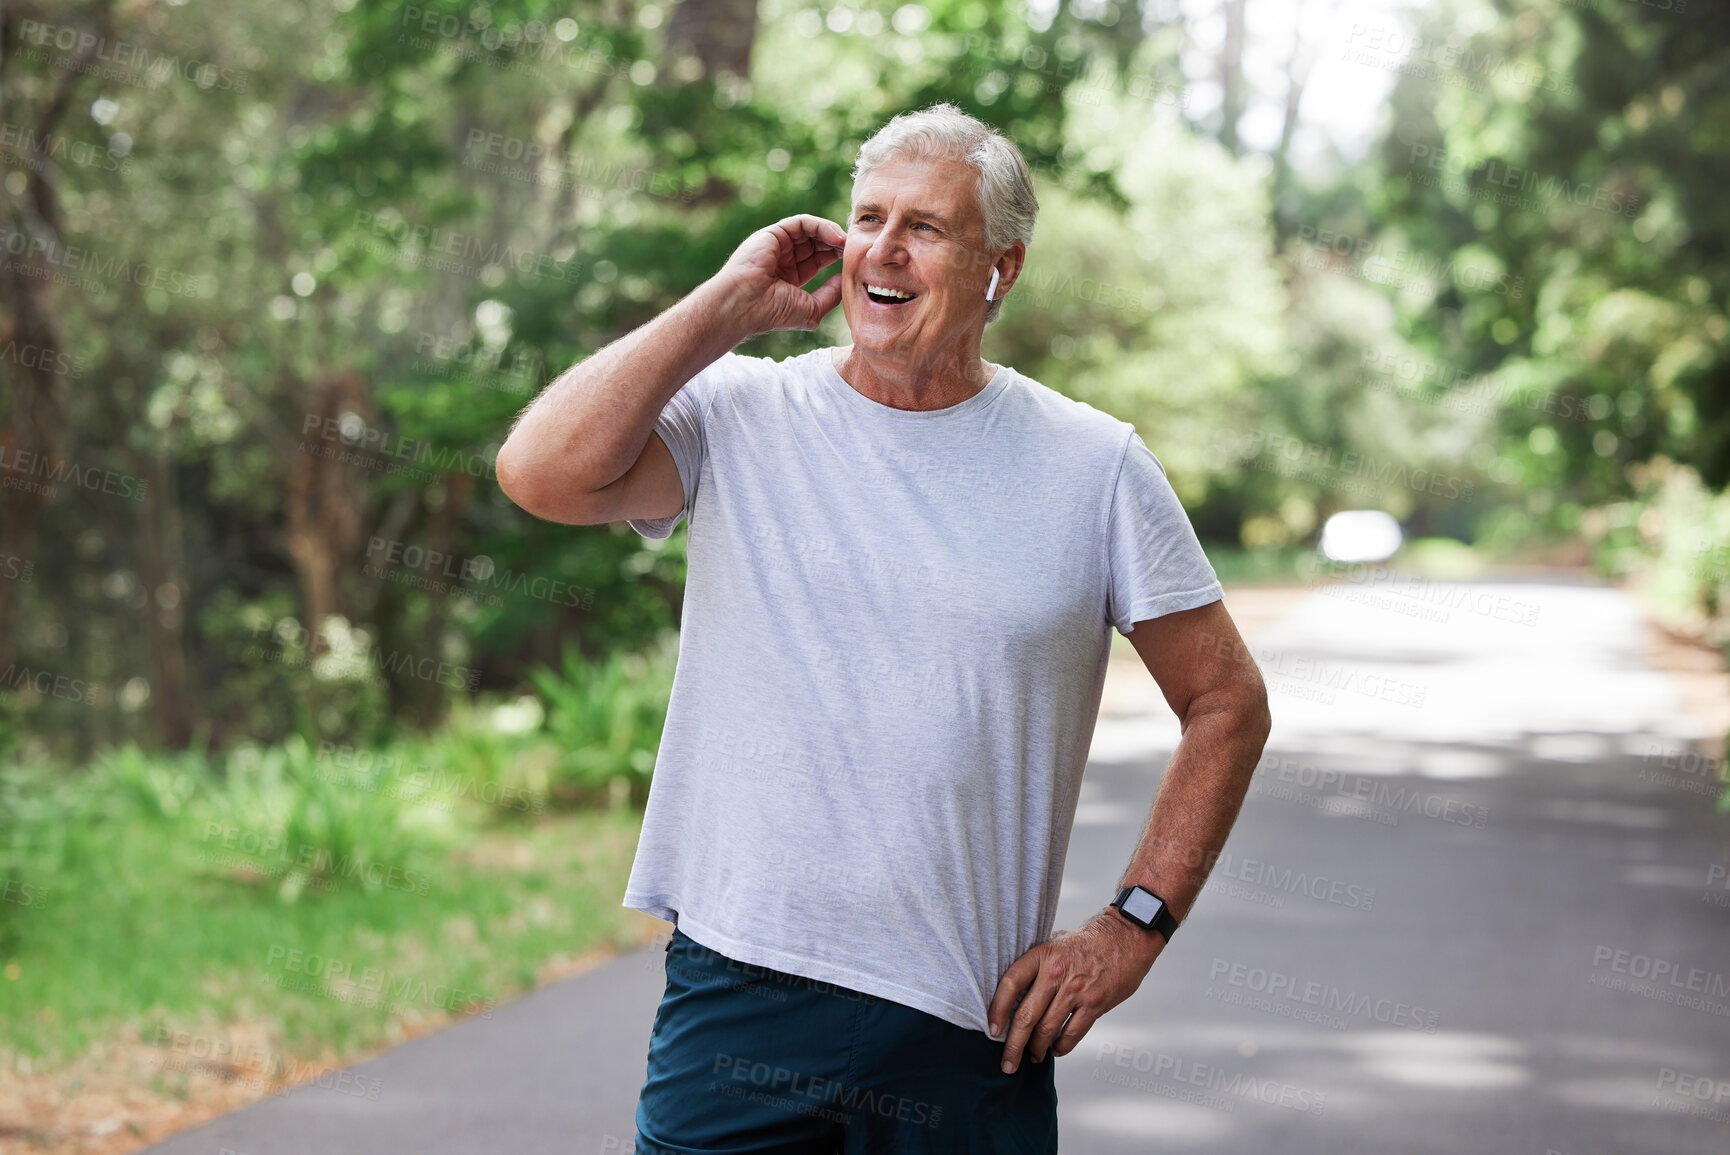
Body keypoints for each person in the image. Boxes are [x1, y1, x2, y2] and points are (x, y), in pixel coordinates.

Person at [496, 102, 1271, 1154]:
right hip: (737, 999)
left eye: (927, 226)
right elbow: (538, 472)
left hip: (967, 1030)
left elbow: (1225, 700)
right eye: (868, 217)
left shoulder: (1091, 468)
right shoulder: (739, 413)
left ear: (1002, 267)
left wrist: (1128, 931)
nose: (885, 248)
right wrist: (727, 304)